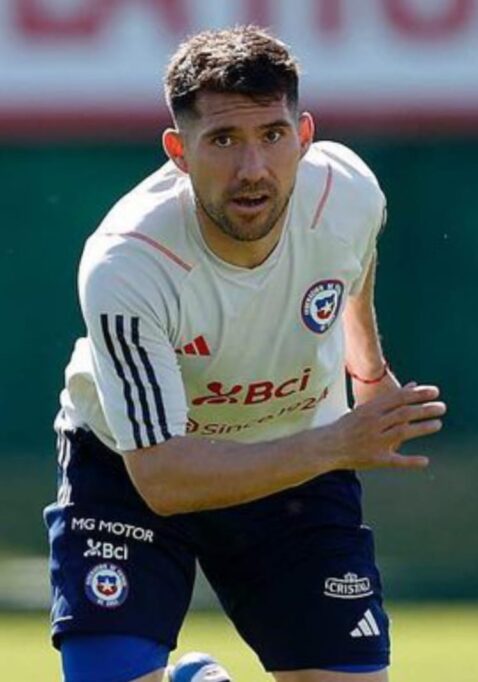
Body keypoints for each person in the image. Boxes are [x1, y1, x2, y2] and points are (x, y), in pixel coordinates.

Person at [44, 26, 446, 682]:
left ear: (304, 134)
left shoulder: (348, 191)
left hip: (295, 461)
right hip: (132, 469)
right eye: (224, 141)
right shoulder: (128, 265)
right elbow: (165, 478)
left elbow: (352, 267)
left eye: (272, 136)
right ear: (179, 150)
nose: (253, 169)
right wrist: (341, 444)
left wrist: (367, 372)